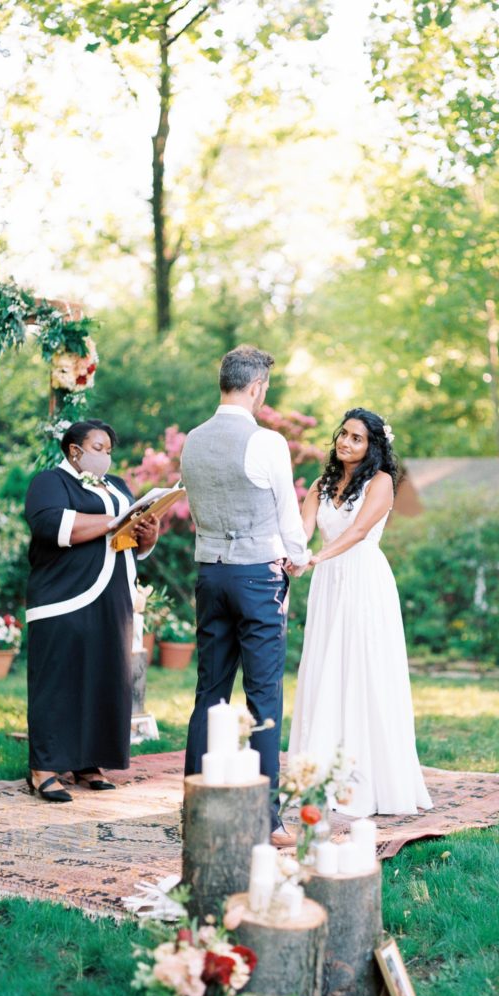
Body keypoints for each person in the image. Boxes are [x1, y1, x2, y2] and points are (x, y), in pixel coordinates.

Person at [181, 345, 311, 841]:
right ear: (256, 387)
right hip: (256, 576)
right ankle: (264, 818)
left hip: (209, 574)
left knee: (210, 692)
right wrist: (296, 558)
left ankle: (196, 806)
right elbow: (286, 514)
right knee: (263, 697)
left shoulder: (192, 440)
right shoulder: (267, 443)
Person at [288, 408, 433, 817]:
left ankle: (370, 778)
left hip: (363, 579)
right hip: (327, 584)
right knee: (325, 667)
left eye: (357, 438)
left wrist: (316, 558)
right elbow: (302, 530)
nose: (346, 443)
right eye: (344, 434)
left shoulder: (383, 483)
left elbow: (356, 532)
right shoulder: (320, 484)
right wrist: (291, 554)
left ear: (373, 446)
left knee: (362, 668)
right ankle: (318, 773)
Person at [24, 419, 159, 802]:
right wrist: (117, 521)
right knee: (60, 681)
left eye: (109, 450)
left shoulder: (117, 487)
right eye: (98, 448)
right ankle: (45, 767)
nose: (106, 456)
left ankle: (88, 763)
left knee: (104, 677)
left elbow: (131, 540)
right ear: (74, 451)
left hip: (112, 596)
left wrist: (148, 534)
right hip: (62, 597)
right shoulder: (50, 482)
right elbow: (54, 526)